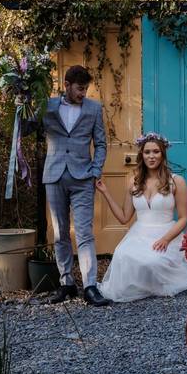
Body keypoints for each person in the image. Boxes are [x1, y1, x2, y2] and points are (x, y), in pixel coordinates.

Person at [23, 65, 110, 307]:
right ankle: (66, 283)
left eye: (86, 89)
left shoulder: (94, 108)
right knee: (60, 232)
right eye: (80, 89)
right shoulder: (47, 105)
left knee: (84, 232)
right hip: (55, 175)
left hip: (83, 178)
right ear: (67, 85)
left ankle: (90, 286)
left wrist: (95, 169)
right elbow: (28, 128)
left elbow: (101, 143)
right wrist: (23, 101)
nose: (83, 93)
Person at [94, 132, 187, 302]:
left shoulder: (176, 181)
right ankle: (141, 286)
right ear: (141, 155)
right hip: (139, 234)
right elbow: (124, 217)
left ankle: (156, 283)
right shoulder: (134, 181)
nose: (151, 156)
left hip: (166, 233)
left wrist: (166, 239)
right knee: (122, 256)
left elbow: (183, 218)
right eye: (147, 152)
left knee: (152, 261)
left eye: (156, 152)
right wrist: (105, 192)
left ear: (163, 154)